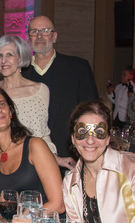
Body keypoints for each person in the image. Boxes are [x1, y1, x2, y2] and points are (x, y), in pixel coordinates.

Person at [0, 85, 64, 213]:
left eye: (2, 104)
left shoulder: (35, 146)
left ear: (10, 111)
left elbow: (58, 204)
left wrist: (21, 219)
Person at [0, 35, 75, 169]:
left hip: (34, 162)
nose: (4, 60)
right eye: (0, 55)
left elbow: (43, 133)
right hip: (0, 163)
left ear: (20, 58)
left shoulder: (40, 90)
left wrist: (55, 159)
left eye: (9, 54)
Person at [22, 16, 99, 161]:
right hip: (28, 158)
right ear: (28, 38)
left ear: (54, 36)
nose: (39, 36)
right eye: (34, 32)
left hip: (70, 155)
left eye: (45, 31)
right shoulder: (20, 73)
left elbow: (93, 112)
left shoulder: (78, 68)